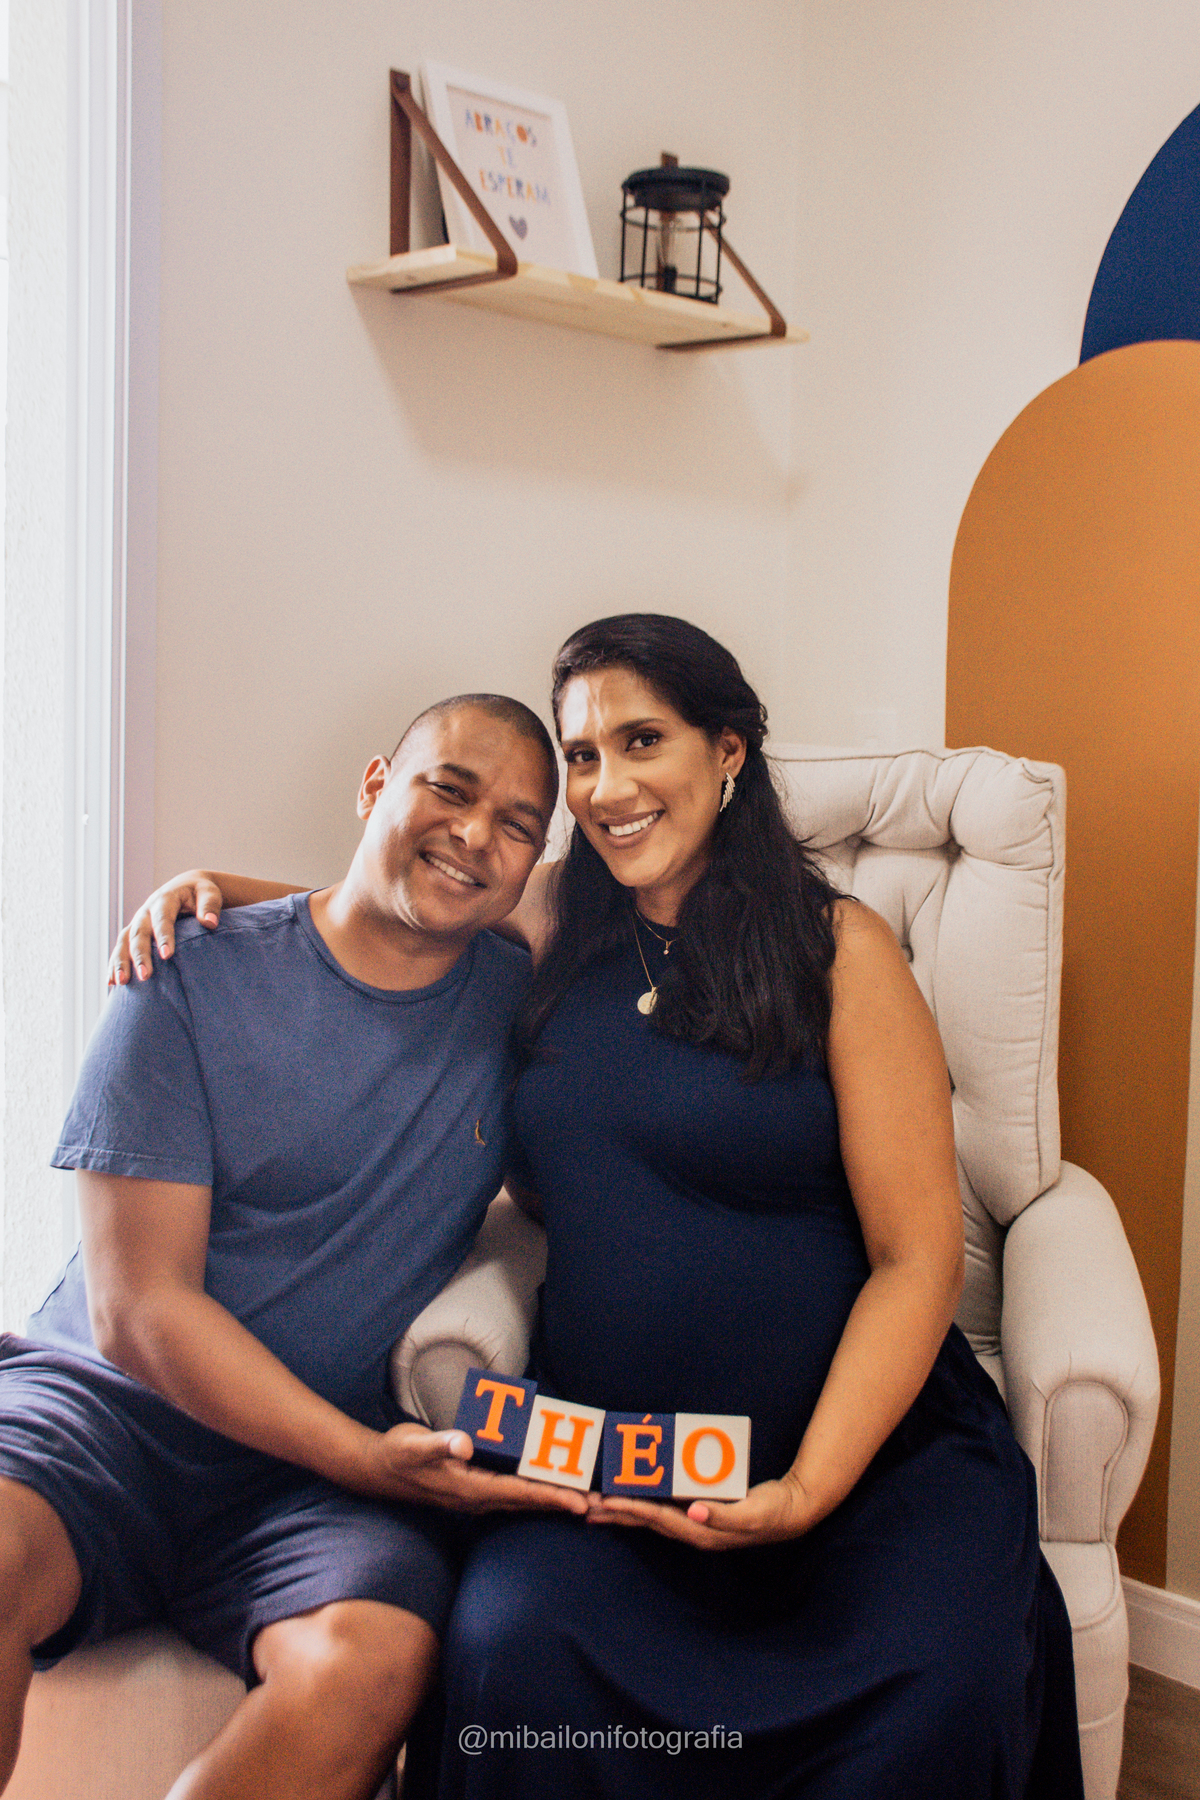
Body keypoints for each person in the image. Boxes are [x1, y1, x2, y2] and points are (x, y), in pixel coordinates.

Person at [114, 618, 1085, 1800]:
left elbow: (917, 1257)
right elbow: (385, 908)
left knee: (938, 1687)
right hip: (612, 1463)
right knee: (511, 1652)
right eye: (581, 756)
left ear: (727, 752)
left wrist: (806, 1491)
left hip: (864, 1464)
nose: (607, 788)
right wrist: (220, 897)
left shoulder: (842, 951)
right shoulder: (551, 919)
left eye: (642, 742)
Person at [0, 695, 590, 1800]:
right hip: (99, 1416)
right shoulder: (186, 971)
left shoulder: (515, 1004)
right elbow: (139, 1313)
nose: (475, 834)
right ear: (375, 786)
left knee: (373, 1663)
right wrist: (362, 1456)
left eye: (517, 825)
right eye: (449, 789)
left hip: (303, 1493)